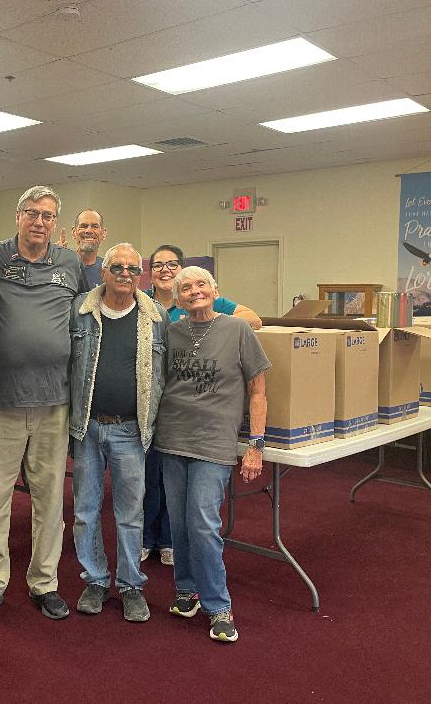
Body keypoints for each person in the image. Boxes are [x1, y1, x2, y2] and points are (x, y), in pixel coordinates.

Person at [0, 185, 86, 624]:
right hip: (1, 401)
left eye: (48, 216)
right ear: (17, 216)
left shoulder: (70, 263)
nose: (39, 222)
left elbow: (91, 313)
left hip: (55, 401)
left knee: (49, 498)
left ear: (56, 223)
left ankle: (44, 582)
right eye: (32, 213)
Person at [153, 265, 270, 643]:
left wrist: (256, 444)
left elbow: (257, 391)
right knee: (180, 525)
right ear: (177, 297)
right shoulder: (172, 332)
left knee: (203, 524)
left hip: (213, 444)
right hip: (171, 440)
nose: (193, 292)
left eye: (200, 285)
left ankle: (219, 606)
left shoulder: (237, 330)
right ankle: (186, 590)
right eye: (185, 288)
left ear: (215, 289)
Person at [141, 244, 262, 567]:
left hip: (210, 433)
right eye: (158, 265)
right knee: (154, 482)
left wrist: (224, 334)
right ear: (149, 272)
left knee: (193, 512)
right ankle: (150, 540)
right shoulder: (149, 308)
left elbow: (254, 319)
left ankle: (170, 544)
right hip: (166, 421)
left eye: (172, 264)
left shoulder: (214, 310)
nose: (165, 270)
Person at [68, 243, 168, 622]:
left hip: (131, 431)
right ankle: (95, 580)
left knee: (130, 514)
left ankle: (130, 585)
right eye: (117, 268)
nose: (125, 274)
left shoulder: (156, 317)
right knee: (85, 511)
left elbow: (165, 376)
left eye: (132, 269)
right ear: (104, 272)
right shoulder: (79, 313)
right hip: (87, 429)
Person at [72, 209, 108, 288]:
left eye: (95, 226)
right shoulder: (62, 265)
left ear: (103, 233)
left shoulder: (109, 271)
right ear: (74, 232)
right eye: (83, 226)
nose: (88, 230)